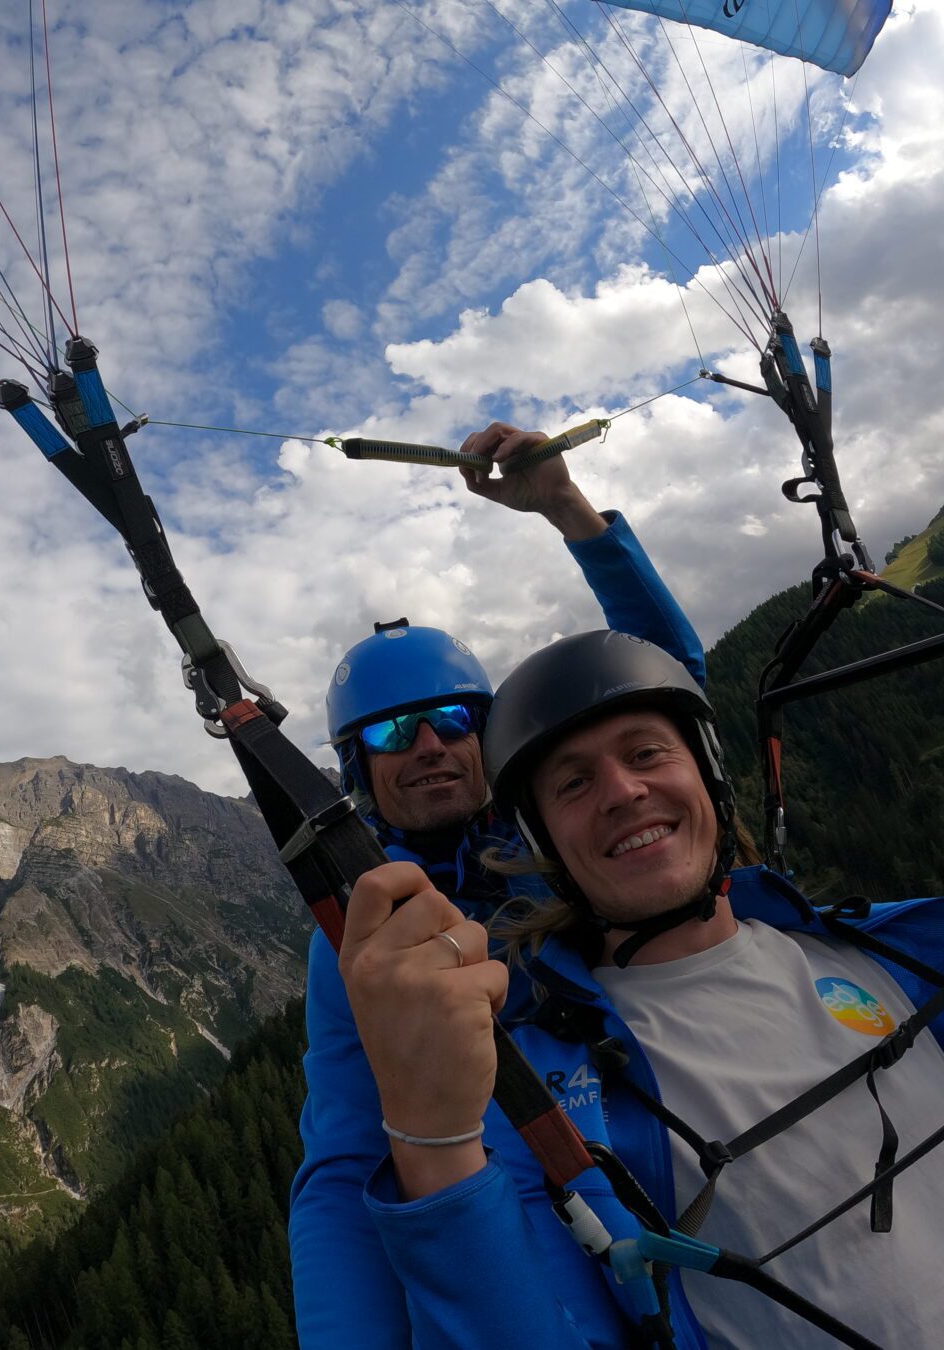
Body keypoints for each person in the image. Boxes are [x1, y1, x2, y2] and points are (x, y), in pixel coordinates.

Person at [333, 630, 944, 1349]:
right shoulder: (553, 1086)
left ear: (708, 781)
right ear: (542, 843)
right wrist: (432, 1136)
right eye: (573, 784)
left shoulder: (880, 947)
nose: (623, 791)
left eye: (646, 753)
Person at [289, 423, 708, 1346]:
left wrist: (569, 510)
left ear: (484, 735)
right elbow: (344, 1162)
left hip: (679, 1170)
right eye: (395, 734)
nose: (429, 746)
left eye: (447, 720)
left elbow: (667, 687)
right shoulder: (363, 935)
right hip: (509, 1226)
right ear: (360, 771)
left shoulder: (567, 835)